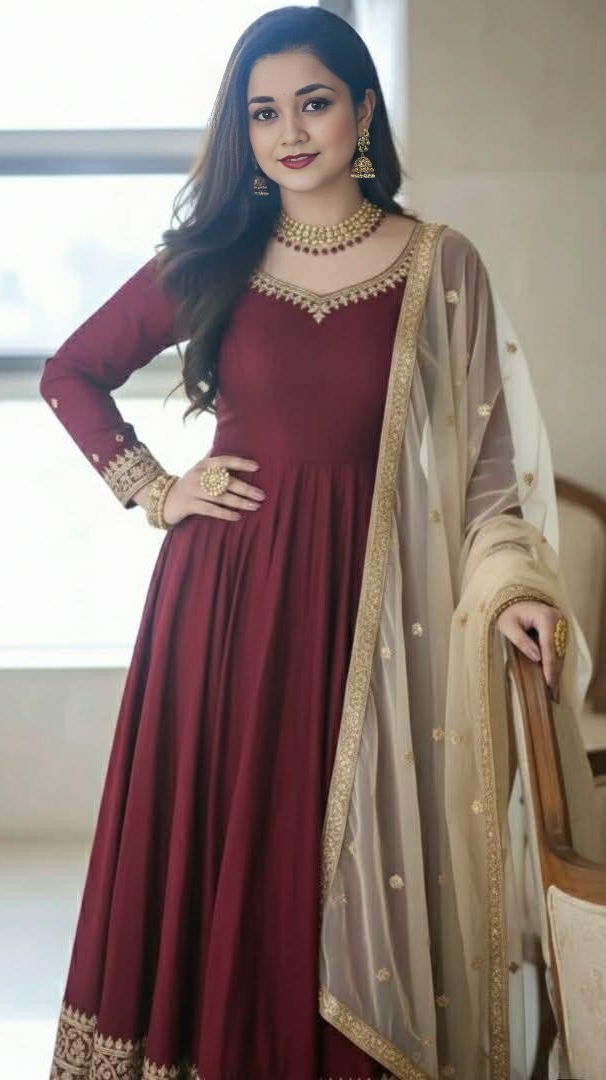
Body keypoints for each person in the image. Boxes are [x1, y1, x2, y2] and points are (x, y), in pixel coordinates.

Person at [41, 7, 592, 1080]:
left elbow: (487, 466)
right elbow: (72, 372)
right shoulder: (212, 258)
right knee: (225, 846)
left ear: (362, 111)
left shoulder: (437, 264)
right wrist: (157, 490)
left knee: (329, 853)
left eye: (312, 103)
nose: (288, 132)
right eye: (262, 113)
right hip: (222, 607)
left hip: (368, 610)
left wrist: (514, 586)